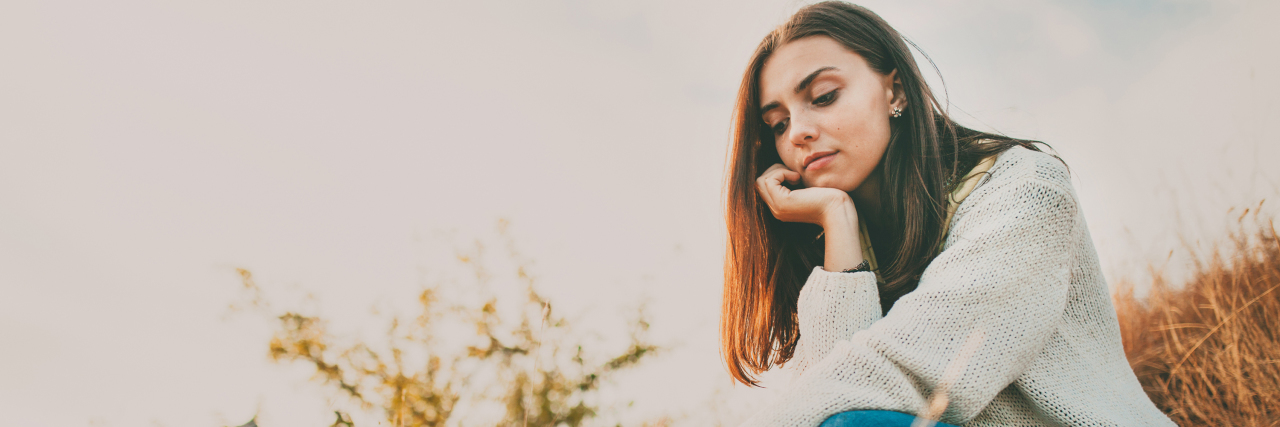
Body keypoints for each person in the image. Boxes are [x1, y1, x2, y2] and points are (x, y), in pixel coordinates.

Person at [719, 2, 1175, 426]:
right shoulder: (848, 239)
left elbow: (877, 388)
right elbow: (829, 396)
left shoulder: (1025, 190)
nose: (798, 132)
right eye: (778, 124)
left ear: (894, 90)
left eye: (823, 97)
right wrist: (837, 218)